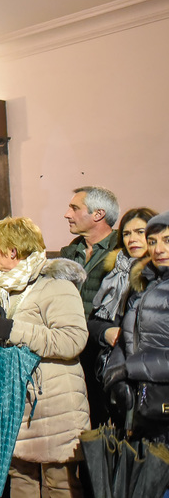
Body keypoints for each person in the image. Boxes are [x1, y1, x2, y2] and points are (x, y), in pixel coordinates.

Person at [0, 216, 90, 498]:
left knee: (60, 480)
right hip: (9, 397)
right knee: (19, 475)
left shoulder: (55, 285)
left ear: (13, 250)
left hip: (51, 399)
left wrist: (15, 331)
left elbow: (72, 340)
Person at [104, 211, 169, 445]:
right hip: (145, 403)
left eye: (167, 240)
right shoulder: (145, 284)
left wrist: (130, 369)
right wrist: (115, 371)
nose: (158, 249)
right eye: (152, 241)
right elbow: (128, 335)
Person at [88, 207, 156, 426]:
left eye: (140, 232)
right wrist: (105, 332)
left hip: (150, 374)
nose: (132, 239)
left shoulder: (158, 276)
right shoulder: (115, 273)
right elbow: (93, 321)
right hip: (115, 371)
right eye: (126, 233)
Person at [61, 186, 120, 314]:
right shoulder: (69, 253)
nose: (67, 214)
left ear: (98, 214)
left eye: (75, 208)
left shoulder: (122, 255)